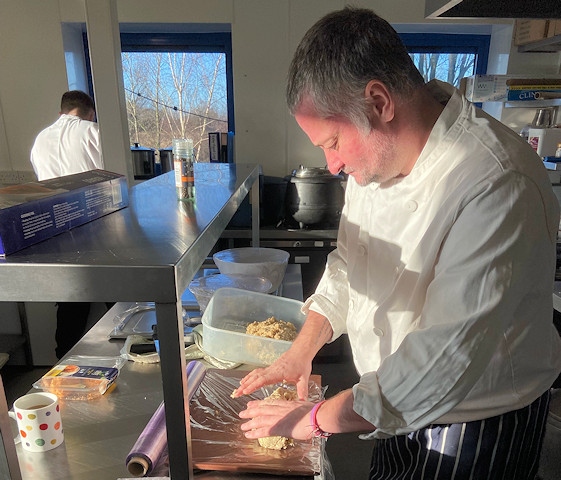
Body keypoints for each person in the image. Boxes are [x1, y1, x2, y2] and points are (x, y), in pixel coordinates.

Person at [234, 7, 561, 479]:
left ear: (379, 103)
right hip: (387, 404)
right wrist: (299, 352)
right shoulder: (374, 167)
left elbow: (443, 361)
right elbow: (349, 263)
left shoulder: (494, 181)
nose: (331, 166)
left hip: (473, 426)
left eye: (332, 143)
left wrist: (312, 420)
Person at [30, 90, 107, 359]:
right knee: (119, 297)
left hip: (57, 234)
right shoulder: (93, 132)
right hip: (98, 228)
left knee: (71, 301)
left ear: (62, 110)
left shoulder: (40, 140)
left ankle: (62, 362)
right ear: (90, 112)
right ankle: (123, 355)